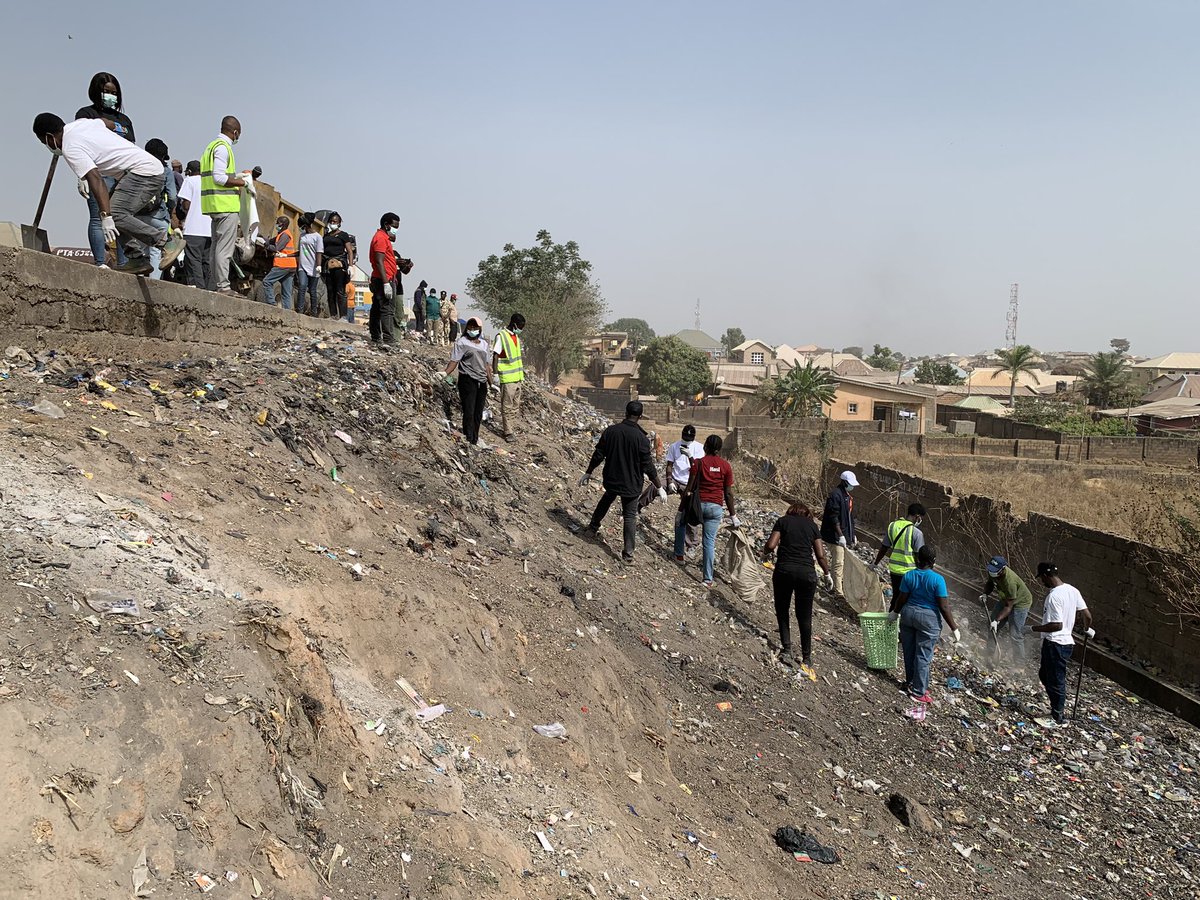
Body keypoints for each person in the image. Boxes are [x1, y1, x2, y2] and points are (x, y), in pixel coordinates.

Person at [34, 113, 184, 277]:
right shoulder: (82, 124)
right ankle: (135, 256)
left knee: (115, 214)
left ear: (49, 136)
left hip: (143, 173)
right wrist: (122, 129)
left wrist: (106, 217)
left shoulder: (70, 147)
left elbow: (96, 180)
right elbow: (108, 123)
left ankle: (166, 242)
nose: (48, 146)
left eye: (44, 142)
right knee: (113, 213)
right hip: (138, 171)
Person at [579, 401, 666, 562]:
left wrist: (588, 472)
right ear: (640, 416)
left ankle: (592, 528)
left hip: (612, 479)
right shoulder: (642, 439)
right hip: (631, 484)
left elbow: (599, 454)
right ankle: (628, 555)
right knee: (630, 516)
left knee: (606, 500)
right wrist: (659, 486)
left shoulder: (611, 431)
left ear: (625, 413)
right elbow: (648, 466)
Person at [762, 503, 834, 675]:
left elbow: (771, 545)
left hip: (784, 571)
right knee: (804, 615)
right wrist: (827, 573)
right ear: (807, 514)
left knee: (782, 609)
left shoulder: (782, 521)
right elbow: (820, 554)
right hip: (806, 574)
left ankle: (787, 649)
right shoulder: (812, 526)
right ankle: (806, 657)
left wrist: (765, 553)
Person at [75, 72, 134, 268]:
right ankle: (100, 261)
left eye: (114, 93)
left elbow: (131, 148)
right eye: (106, 92)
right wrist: (82, 175)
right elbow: (79, 145)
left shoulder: (124, 120)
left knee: (121, 218)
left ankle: (125, 263)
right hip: (98, 173)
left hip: (122, 175)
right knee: (99, 216)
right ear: (96, 92)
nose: (111, 96)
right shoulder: (86, 115)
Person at [890, 545, 960, 708]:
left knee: (909, 650)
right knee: (923, 655)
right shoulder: (937, 580)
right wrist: (954, 628)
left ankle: (911, 683)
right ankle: (919, 692)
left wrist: (895, 612)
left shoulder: (909, 575)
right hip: (928, 620)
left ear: (917, 559)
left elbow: (902, 598)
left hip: (908, 616)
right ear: (933, 561)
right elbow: (943, 606)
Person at [1030, 563, 1093, 728]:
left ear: (1045, 576)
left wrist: (1032, 628)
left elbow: (1056, 625)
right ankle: (1055, 709)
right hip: (1064, 643)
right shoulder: (1073, 590)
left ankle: (1057, 717)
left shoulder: (1053, 597)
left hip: (1055, 643)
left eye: (1041, 577)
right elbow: (1087, 615)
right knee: (1045, 675)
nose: (1041, 581)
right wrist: (1087, 629)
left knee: (1056, 680)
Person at [682, 434, 739, 588]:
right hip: (715, 508)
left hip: (699, 506)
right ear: (719, 449)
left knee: (682, 524)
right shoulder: (726, 466)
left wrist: (683, 506)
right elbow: (728, 493)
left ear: (705, 446)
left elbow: (690, 487)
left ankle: (679, 554)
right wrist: (733, 515)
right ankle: (707, 579)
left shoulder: (698, 463)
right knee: (708, 542)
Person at [201, 116, 247, 296]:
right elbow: (219, 177)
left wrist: (238, 176)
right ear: (235, 132)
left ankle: (215, 284)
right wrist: (243, 184)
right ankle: (223, 286)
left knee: (215, 248)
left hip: (213, 205)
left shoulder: (211, 147)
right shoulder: (223, 148)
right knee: (224, 249)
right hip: (225, 205)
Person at [444, 317, 494, 446]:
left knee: (478, 412)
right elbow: (454, 361)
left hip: (481, 381)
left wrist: (491, 383)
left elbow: (487, 365)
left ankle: (475, 438)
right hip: (468, 379)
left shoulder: (484, 345)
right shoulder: (462, 342)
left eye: (475, 328)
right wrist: (445, 373)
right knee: (469, 410)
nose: (472, 330)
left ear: (479, 329)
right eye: (470, 327)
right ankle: (468, 436)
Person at [981, 555, 1034, 662]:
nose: (991, 572)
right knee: (991, 626)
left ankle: (1019, 664)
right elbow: (990, 583)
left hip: (1020, 603)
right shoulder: (993, 571)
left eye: (994, 571)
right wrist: (985, 594)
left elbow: (1008, 607)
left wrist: (997, 620)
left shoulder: (1010, 582)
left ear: (1002, 570)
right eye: (990, 569)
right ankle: (990, 653)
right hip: (1006, 598)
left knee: (1015, 633)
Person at [873, 503, 926, 600]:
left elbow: (884, 548)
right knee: (908, 598)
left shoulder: (893, 526)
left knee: (896, 597)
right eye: (921, 518)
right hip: (909, 572)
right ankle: (903, 615)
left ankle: (893, 614)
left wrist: (875, 563)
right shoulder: (917, 533)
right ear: (917, 517)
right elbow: (919, 556)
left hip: (894, 570)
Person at [667, 425, 705, 559]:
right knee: (681, 520)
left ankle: (688, 548)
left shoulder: (699, 449)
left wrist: (690, 457)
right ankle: (679, 554)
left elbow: (695, 471)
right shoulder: (674, 446)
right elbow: (669, 465)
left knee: (685, 518)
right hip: (678, 480)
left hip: (690, 485)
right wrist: (669, 480)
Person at [142, 138, 178, 279]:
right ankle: (154, 284)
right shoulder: (165, 171)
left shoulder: (137, 166)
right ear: (163, 156)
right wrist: (170, 209)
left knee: (140, 251)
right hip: (158, 215)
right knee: (156, 251)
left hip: (136, 216)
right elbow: (173, 196)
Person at [820, 470, 858, 599]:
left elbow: (848, 517)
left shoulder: (846, 496)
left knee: (841, 563)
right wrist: (840, 535)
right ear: (843, 482)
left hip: (843, 535)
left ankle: (837, 586)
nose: (852, 487)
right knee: (838, 563)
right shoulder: (835, 495)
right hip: (834, 536)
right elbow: (833, 517)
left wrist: (852, 535)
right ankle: (838, 592)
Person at [176, 161, 212, 289]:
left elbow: (186, 204)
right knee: (206, 262)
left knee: (193, 261)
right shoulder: (209, 182)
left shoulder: (190, 181)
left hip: (194, 228)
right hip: (209, 229)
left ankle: (198, 289)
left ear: (189, 171)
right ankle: (208, 289)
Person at [492, 313, 526, 441]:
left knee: (515, 406)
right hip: (507, 379)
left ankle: (510, 427)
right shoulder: (502, 336)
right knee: (507, 405)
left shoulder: (516, 337)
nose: (521, 329)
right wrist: (495, 374)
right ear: (514, 324)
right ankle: (507, 432)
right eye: (521, 326)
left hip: (517, 378)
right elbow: (495, 356)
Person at [369, 213, 400, 345]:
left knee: (377, 307)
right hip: (383, 279)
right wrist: (386, 283)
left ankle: (376, 335)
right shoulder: (380, 238)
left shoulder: (383, 238)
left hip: (384, 277)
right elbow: (379, 261)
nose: (395, 230)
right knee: (387, 309)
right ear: (386, 225)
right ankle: (388, 338)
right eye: (394, 226)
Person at [321, 212, 356, 320]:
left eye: (335, 222)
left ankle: (343, 316)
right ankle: (333, 315)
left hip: (339, 265)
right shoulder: (326, 236)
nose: (332, 223)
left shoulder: (343, 235)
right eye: (331, 221)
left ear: (339, 223)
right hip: (327, 265)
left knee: (340, 291)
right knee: (330, 291)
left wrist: (350, 265)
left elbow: (349, 251)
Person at [261, 216, 296, 309]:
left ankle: (271, 304)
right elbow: (271, 241)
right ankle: (287, 314)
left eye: (278, 222)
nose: (276, 224)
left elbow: (277, 248)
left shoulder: (285, 235)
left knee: (267, 282)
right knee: (286, 292)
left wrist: (266, 246)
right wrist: (261, 237)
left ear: (282, 224)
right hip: (290, 266)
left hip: (283, 265)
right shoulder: (282, 234)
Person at [297, 214, 324, 315]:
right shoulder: (302, 236)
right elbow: (300, 251)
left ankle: (314, 312)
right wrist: (286, 255)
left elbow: (319, 252)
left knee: (312, 290)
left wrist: (318, 265)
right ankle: (299, 310)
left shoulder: (317, 237)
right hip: (302, 266)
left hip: (314, 267)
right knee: (302, 286)